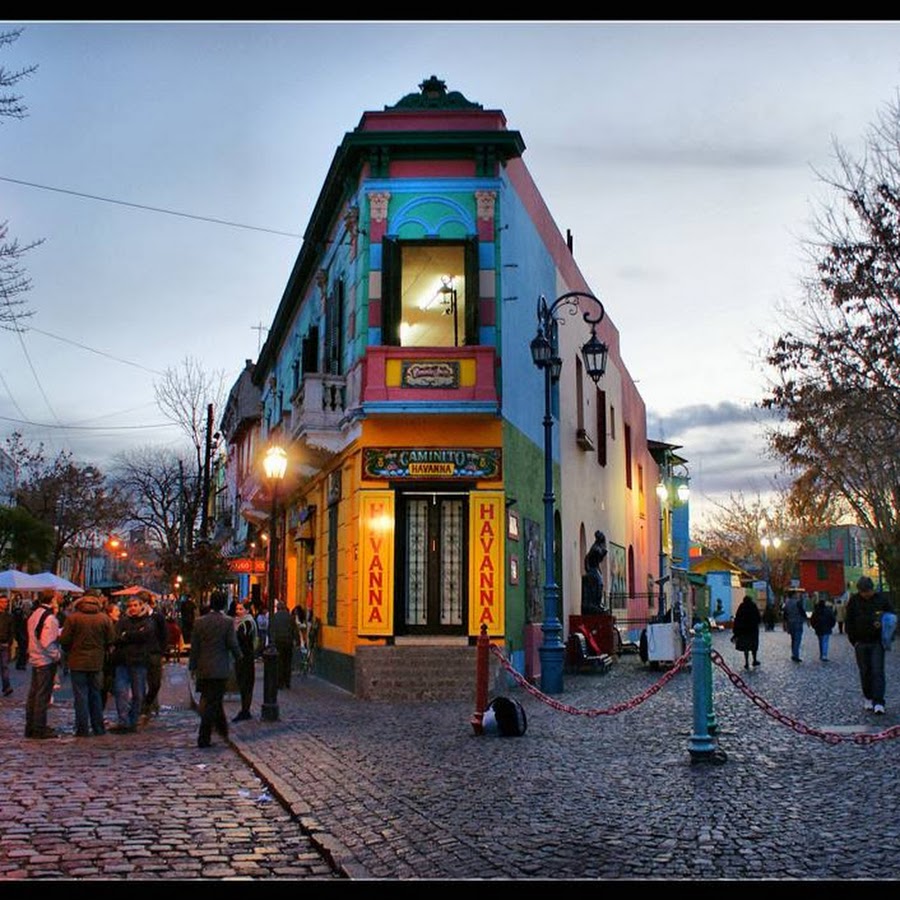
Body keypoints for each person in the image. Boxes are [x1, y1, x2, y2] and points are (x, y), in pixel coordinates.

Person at [188, 589, 241, 748]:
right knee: (213, 702)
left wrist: (192, 666)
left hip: (204, 668)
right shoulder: (227, 622)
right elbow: (232, 643)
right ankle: (204, 737)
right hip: (219, 669)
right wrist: (240, 657)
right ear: (224, 604)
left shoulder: (199, 622)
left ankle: (222, 729)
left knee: (212, 699)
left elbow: (195, 647)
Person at [58, 591, 115, 737]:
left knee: (80, 696)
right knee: (96, 694)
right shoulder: (104, 618)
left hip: (77, 661)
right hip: (96, 662)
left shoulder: (73, 618)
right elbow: (111, 640)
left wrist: (70, 650)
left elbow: (64, 640)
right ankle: (98, 727)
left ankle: (82, 728)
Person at [846, 575, 893, 714]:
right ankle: (868, 697)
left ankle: (879, 701)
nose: (866, 594)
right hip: (860, 642)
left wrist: (884, 627)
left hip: (877, 641)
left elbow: (891, 616)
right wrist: (854, 640)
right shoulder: (854, 601)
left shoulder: (881, 599)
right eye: (863, 592)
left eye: (867, 591)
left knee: (877, 671)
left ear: (872, 589)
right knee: (865, 671)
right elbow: (849, 621)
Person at [111, 596, 154, 733]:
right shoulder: (123, 621)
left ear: (141, 606)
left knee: (138, 694)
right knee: (121, 692)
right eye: (130, 605)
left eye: (135, 605)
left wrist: (127, 635)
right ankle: (123, 721)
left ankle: (133, 720)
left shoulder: (148, 621)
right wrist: (134, 635)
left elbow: (146, 635)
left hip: (139, 661)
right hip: (122, 661)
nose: (133, 608)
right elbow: (116, 637)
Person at [25, 590, 62, 739]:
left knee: (34, 694)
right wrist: (57, 655)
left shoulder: (35, 614)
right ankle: (39, 728)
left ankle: (31, 725)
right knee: (42, 695)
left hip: (36, 657)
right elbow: (47, 641)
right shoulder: (49, 617)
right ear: (52, 600)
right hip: (45, 660)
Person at [141, 595, 168, 721]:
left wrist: (161, 651)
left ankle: (148, 703)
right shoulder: (136, 617)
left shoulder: (158, 617)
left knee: (155, 683)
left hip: (154, 653)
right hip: (140, 654)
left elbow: (164, 635)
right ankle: (144, 707)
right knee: (141, 683)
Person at [232, 600, 258, 722]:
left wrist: (236, 630)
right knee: (243, 684)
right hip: (242, 657)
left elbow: (243, 639)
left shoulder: (247, 623)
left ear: (247, 611)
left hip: (246, 658)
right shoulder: (241, 622)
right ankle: (244, 709)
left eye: (241, 609)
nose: (238, 611)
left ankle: (245, 710)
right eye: (237, 609)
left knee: (245, 684)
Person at [270, 599, 300, 689]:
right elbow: (295, 630)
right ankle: (287, 681)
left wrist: (272, 642)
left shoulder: (274, 617)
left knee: (280, 662)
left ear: (277, 608)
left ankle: (280, 682)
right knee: (288, 662)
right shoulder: (290, 617)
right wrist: (297, 641)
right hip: (288, 642)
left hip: (278, 642)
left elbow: (271, 630)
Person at [101, 602, 122, 711]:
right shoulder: (109, 625)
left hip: (111, 660)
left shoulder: (117, 624)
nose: (119, 613)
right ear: (110, 613)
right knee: (104, 687)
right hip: (107, 661)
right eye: (116, 611)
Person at [732, 595, 761, 669]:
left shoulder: (741, 607)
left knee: (746, 647)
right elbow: (758, 617)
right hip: (753, 630)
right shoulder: (753, 606)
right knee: (754, 646)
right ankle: (754, 660)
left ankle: (746, 662)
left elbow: (737, 618)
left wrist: (736, 631)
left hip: (744, 631)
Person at [810, 595, 837, 662]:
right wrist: (831, 626)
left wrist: (814, 627)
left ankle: (822, 654)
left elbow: (812, 620)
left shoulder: (816, 611)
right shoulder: (828, 610)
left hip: (819, 628)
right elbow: (833, 619)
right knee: (825, 641)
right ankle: (824, 655)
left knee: (821, 641)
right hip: (827, 628)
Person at [783, 594, 807, 662]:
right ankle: (796, 655)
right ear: (794, 595)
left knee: (793, 639)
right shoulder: (797, 602)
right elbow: (802, 612)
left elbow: (785, 615)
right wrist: (807, 619)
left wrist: (785, 624)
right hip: (798, 623)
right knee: (797, 640)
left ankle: (793, 654)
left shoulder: (787, 603)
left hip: (790, 623)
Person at [0, 594, 14, 696]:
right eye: (3, 602)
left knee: (5, 666)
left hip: (4, 643)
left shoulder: (9, 616)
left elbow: (11, 631)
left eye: (6, 602)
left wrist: (9, 642)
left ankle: (6, 687)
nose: (5, 604)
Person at [13, 597, 29, 669]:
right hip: (21, 634)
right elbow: (17, 624)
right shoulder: (19, 613)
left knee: (23, 650)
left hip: (25, 634)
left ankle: (22, 663)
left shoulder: (27, 614)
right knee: (22, 649)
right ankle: (20, 663)